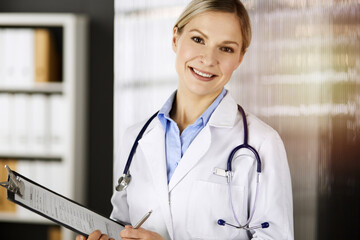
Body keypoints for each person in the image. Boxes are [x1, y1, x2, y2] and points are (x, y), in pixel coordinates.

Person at [77, 0, 294, 239]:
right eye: (198, 40)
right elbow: (123, 226)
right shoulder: (135, 138)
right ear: (175, 38)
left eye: (226, 48)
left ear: (240, 58)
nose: (209, 59)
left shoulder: (262, 144)